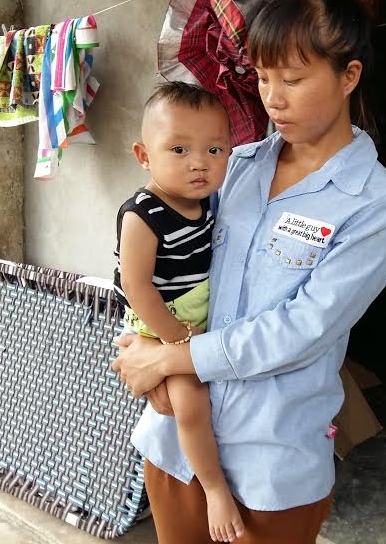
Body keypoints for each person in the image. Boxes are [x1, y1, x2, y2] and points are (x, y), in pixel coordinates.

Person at [112, 0, 386, 544]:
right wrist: (137, 344)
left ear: (349, 76)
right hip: (178, 442)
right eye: (263, 77)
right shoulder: (237, 166)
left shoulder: (376, 203)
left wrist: (172, 360)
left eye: (292, 80)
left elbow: (303, 328)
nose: (272, 99)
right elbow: (165, 257)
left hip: (270, 454)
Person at [112, 81, 243, 541]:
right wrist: (174, 340)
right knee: (190, 402)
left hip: (195, 315)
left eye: (214, 150)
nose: (199, 163)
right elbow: (136, 286)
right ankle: (215, 490)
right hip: (160, 319)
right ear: (143, 155)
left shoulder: (205, 202)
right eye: (179, 149)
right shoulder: (142, 214)